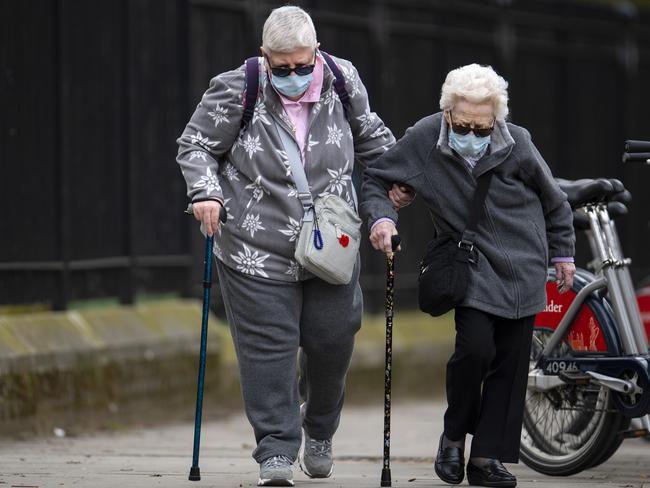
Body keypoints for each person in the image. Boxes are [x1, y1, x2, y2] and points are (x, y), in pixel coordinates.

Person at [176, 6, 411, 487]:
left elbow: (371, 136)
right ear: (265, 57)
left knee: (333, 338)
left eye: (304, 65)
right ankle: (277, 450)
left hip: (332, 243)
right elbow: (197, 144)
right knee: (269, 349)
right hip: (253, 244)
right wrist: (206, 192)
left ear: (317, 51)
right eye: (282, 68)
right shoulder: (237, 87)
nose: (295, 76)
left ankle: (319, 427)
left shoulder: (342, 79)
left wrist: (402, 177)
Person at [362, 64, 576, 487]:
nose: (474, 136)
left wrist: (563, 253)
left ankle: (486, 459)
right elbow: (376, 179)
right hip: (472, 263)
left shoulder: (517, 143)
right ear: (447, 114)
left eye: (483, 127)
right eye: (464, 126)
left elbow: (554, 201)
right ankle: (453, 435)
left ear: (496, 118)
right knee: (475, 351)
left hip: (524, 264)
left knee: (511, 365)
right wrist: (382, 221)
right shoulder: (425, 139)